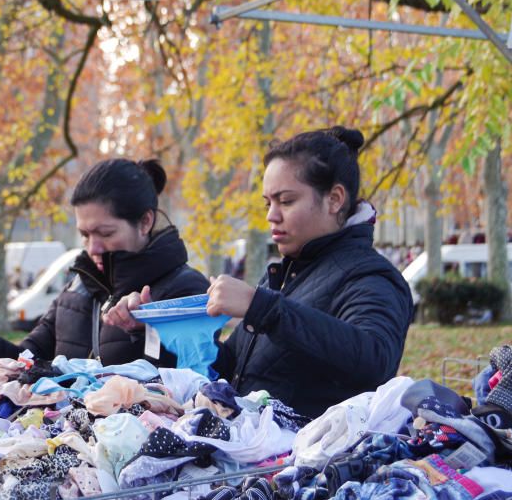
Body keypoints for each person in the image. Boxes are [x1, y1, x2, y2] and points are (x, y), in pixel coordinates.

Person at [105, 127, 414, 419]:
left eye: (287, 201)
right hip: (252, 455)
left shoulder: (372, 276)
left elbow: (375, 360)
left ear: (334, 199)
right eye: (268, 202)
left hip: (309, 468)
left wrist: (261, 306)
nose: (271, 215)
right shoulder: (285, 276)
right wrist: (151, 329)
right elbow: (228, 373)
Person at [0, 158, 209, 367]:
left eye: (105, 233)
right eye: (85, 235)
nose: (92, 248)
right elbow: (24, 361)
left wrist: (147, 331)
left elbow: (196, 383)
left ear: (145, 222)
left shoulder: (186, 291)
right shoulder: (77, 289)